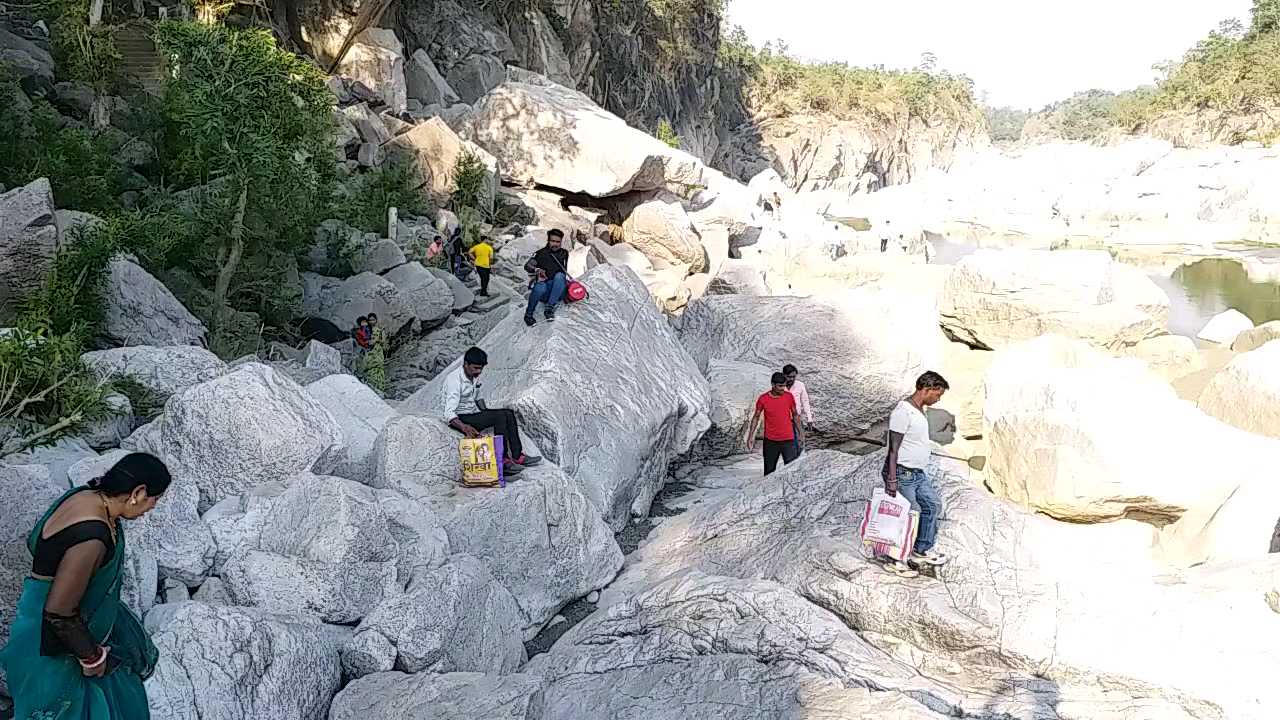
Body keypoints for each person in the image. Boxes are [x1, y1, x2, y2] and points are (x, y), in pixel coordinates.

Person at [0, 452, 170, 720]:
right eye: (154, 500)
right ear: (138, 492)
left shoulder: (84, 496)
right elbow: (59, 612)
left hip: (38, 616)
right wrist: (93, 658)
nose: (152, 508)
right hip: (52, 642)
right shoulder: (92, 537)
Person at [881, 371, 951, 576]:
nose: (938, 399)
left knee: (932, 505)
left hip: (917, 474)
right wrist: (891, 479)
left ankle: (920, 550)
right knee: (909, 513)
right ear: (927, 389)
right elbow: (893, 448)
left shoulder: (920, 410)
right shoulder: (903, 411)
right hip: (903, 474)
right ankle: (895, 559)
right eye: (937, 394)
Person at [439, 346, 542, 475]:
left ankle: (517, 456)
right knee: (499, 416)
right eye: (476, 368)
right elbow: (449, 412)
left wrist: (487, 413)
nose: (479, 371)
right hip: (460, 418)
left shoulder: (473, 376)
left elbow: (478, 397)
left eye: (481, 368)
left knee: (507, 413)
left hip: (472, 413)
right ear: (466, 364)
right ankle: (503, 461)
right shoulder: (454, 380)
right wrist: (465, 428)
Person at [744, 372, 804, 476]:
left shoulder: (789, 397)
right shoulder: (763, 399)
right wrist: (750, 436)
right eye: (780, 386)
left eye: (784, 386)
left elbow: (795, 415)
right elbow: (756, 417)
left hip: (788, 441)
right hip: (770, 441)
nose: (783, 388)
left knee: (792, 472)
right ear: (772, 384)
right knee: (769, 473)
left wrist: (801, 434)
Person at [523, 228, 569, 326]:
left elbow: (564, 271)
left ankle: (549, 308)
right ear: (548, 240)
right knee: (540, 286)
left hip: (559, 289)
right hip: (545, 289)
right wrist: (537, 270)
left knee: (560, 276)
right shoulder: (540, 254)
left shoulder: (564, 253)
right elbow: (527, 266)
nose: (555, 244)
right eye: (553, 241)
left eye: (558, 242)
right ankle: (528, 314)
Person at [782, 364, 816, 451]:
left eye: (794, 376)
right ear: (784, 375)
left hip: (796, 418)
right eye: (789, 377)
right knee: (786, 445)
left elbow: (805, 401)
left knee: (800, 441)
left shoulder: (800, 385)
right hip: (783, 420)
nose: (792, 379)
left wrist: (809, 418)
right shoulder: (779, 386)